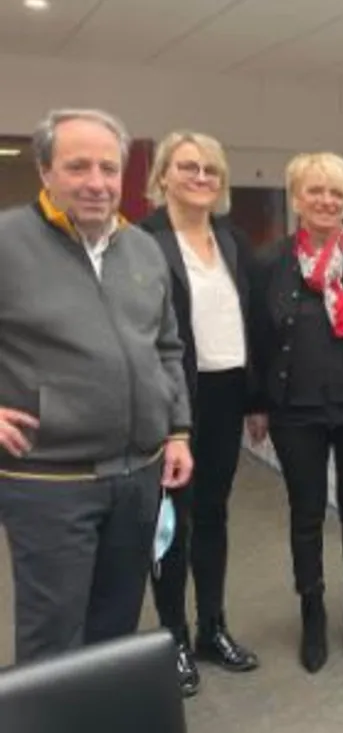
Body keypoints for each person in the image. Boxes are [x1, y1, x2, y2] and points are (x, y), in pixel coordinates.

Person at [0, 108, 193, 664]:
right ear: (45, 171)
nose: (96, 182)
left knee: (114, 630)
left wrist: (177, 431)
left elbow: (167, 347)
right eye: (77, 166)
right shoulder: (9, 242)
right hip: (50, 480)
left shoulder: (143, 248)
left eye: (109, 168)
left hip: (138, 477)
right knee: (54, 637)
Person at [248, 152, 343, 673]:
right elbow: (259, 340)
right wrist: (257, 404)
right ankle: (313, 613)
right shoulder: (270, 262)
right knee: (306, 515)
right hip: (296, 411)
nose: (326, 201)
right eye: (315, 191)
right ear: (296, 198)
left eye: (337, 193)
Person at [140, 131, 260, 697]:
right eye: (188, 167)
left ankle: (212, 628)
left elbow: (247, 324)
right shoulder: (141, 242)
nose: (202, 178)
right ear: (162, 175)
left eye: (211, 169)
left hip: (226, 394)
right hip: (174, 402)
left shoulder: (231, 240)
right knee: (172, 527)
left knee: (213, 516)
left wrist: (256, 399)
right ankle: (174, 641)